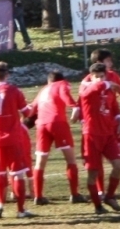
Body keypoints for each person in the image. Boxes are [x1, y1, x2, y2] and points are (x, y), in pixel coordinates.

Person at [82, 49, 120, 199]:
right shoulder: (88, 82)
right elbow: (82, 102)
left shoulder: (113, 75)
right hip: (97, 126)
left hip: (114, 120)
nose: (111, 64)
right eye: (108, 61)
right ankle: (101, 191)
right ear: (98, 64)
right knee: (98, 160)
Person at [0, 61, 34, 219]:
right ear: (7, 74)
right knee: (17, 174)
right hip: (13, 138)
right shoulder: (14, 91)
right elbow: (26, 113)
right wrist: (32, 107)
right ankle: (20, 210)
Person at [29, 71, 86, 205]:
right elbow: (65, 96)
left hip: (41, 125)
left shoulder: (43, 90)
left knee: (39, 162)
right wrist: (74, 107)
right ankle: (74, 194)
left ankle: (38, 196)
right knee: (71, 159)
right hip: (58, 123)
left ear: (48, 81)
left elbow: (32, 109)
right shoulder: (62, 84)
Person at [77, 63, 120, 214]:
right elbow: (88, 92)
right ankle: (98, 206)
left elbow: (114, 105)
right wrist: (106, 83)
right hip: (91, 135)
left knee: (118, 165)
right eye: (96, 76)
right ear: (91, 77)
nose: (99, 79)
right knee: (93, 173)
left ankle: (110, 196)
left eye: (102, 76)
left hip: (108, 134)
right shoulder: (87, 89)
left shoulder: (108, 90)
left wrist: (119, 120)